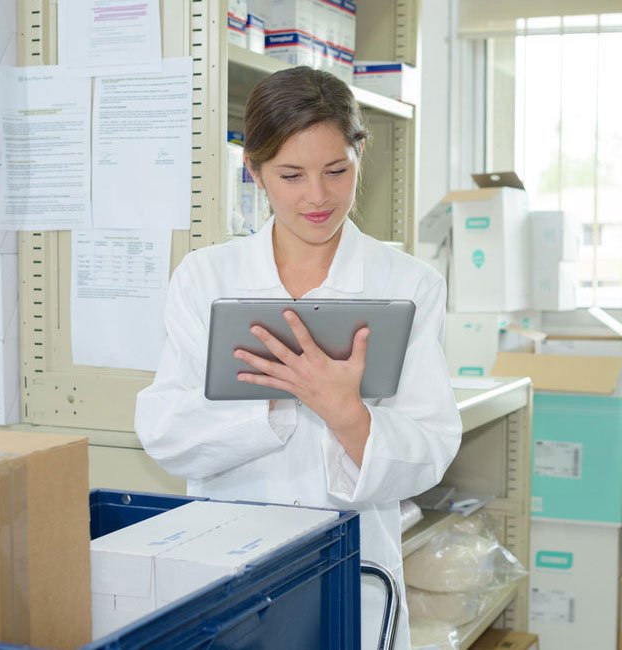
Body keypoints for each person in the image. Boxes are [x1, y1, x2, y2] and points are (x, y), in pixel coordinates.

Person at [134, 66, 462, 650]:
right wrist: (276, 404)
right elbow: (164, 432)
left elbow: (431, 449)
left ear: (360, 156)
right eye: (291, 175)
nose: (318, 196)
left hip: (355, 576)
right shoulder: (206, 278)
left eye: (337, 171)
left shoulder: (408, 284)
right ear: (254, 170)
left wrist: (348, 415)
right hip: (228, 571)